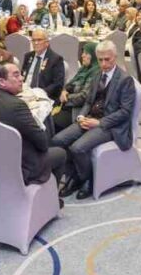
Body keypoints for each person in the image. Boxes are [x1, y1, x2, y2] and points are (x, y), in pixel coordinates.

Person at [53, 41, 136, 199]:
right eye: (100, 60)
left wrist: (100, 122)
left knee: (77, 148)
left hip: (110, 126)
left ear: (115, 57)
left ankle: (87, 179)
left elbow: (125, 112)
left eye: (107, 59)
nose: (103, 64)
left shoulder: (125, 80)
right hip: (90, 118)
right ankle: (75, 174)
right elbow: (89, 101)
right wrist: (81, 116)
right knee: (58, 140)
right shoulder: (97, 74)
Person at [0, 62, 67, 186]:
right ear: (2, 82)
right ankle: (50, 194)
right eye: (16, 75)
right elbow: (43, 143)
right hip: (18, 167)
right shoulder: (16, 105)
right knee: (60, 153)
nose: (22, 78)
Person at [53, 42, 98, 130]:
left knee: (52, 121)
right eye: (83, 53)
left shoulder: (95, 73)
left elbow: (84, 97)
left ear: (94, 55)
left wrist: (66, 98)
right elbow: (70, 83)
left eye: (86, 53)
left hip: (79, 109)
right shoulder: (84, 69)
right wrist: (64, 91)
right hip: (70, 103)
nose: (82, 56)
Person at [20, 29, 66, 101]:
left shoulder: (56, 59)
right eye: (33, 40)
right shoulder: (28, 56)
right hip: (25, 94)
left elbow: (58, 84)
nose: (36, 43)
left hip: (43, 97)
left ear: (47, 42)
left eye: (39, 40)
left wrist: (40, 93)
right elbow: (22, 76)